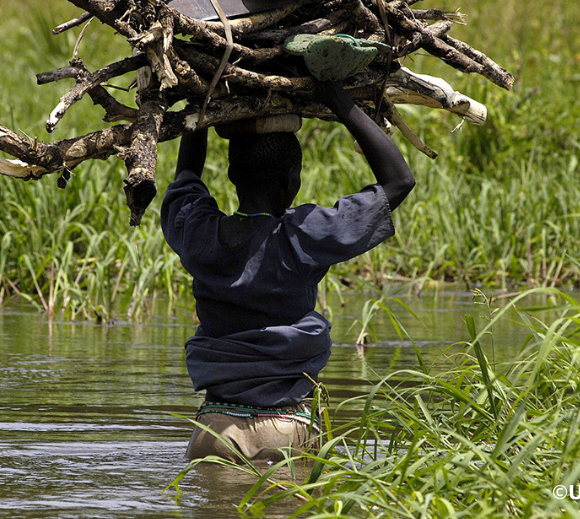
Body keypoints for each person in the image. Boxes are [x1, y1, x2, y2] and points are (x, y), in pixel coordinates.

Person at [160, 79, 415, 464]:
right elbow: (400, 181)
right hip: (285, 429)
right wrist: (337, 98)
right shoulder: (303, 236)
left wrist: (202, 100)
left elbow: (186, 178)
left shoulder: (200, 234)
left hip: (213, 430)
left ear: (231, 176)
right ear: (291, 181)